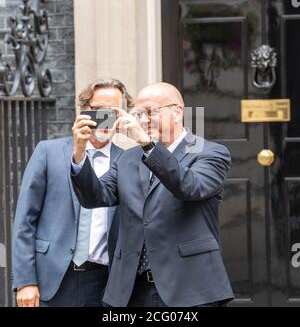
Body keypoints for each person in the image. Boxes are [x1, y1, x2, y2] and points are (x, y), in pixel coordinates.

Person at [71, 82, 234, 307]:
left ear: (177, 112)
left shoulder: (209, 152)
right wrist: (79, 154)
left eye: (150, 112)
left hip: (189, 289)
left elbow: (189, 187)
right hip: (130, 290)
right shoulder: (127, 158)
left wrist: (147, 145)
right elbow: (95, 197)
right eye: (138, 114)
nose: (143, 120)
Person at [12, 78, 133, 307]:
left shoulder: (128, 161)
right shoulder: (48, 152)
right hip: (52, 279)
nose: (106, 117)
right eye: (98, 110)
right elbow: (25, 220)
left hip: (104, 283)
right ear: (85, 110)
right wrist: (25, 280)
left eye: (114, 110)